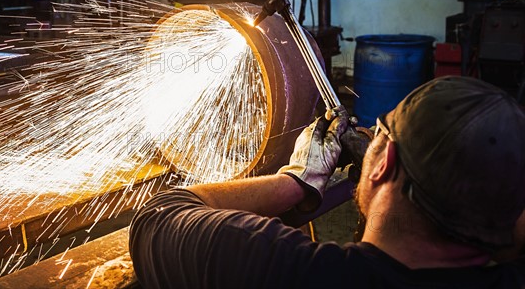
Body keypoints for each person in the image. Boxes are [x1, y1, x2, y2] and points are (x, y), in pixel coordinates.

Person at [129, 76, 525, 288]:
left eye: (378, 133)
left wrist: (298, 179)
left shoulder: (291, 272)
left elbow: (158, 218)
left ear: (383, 163)